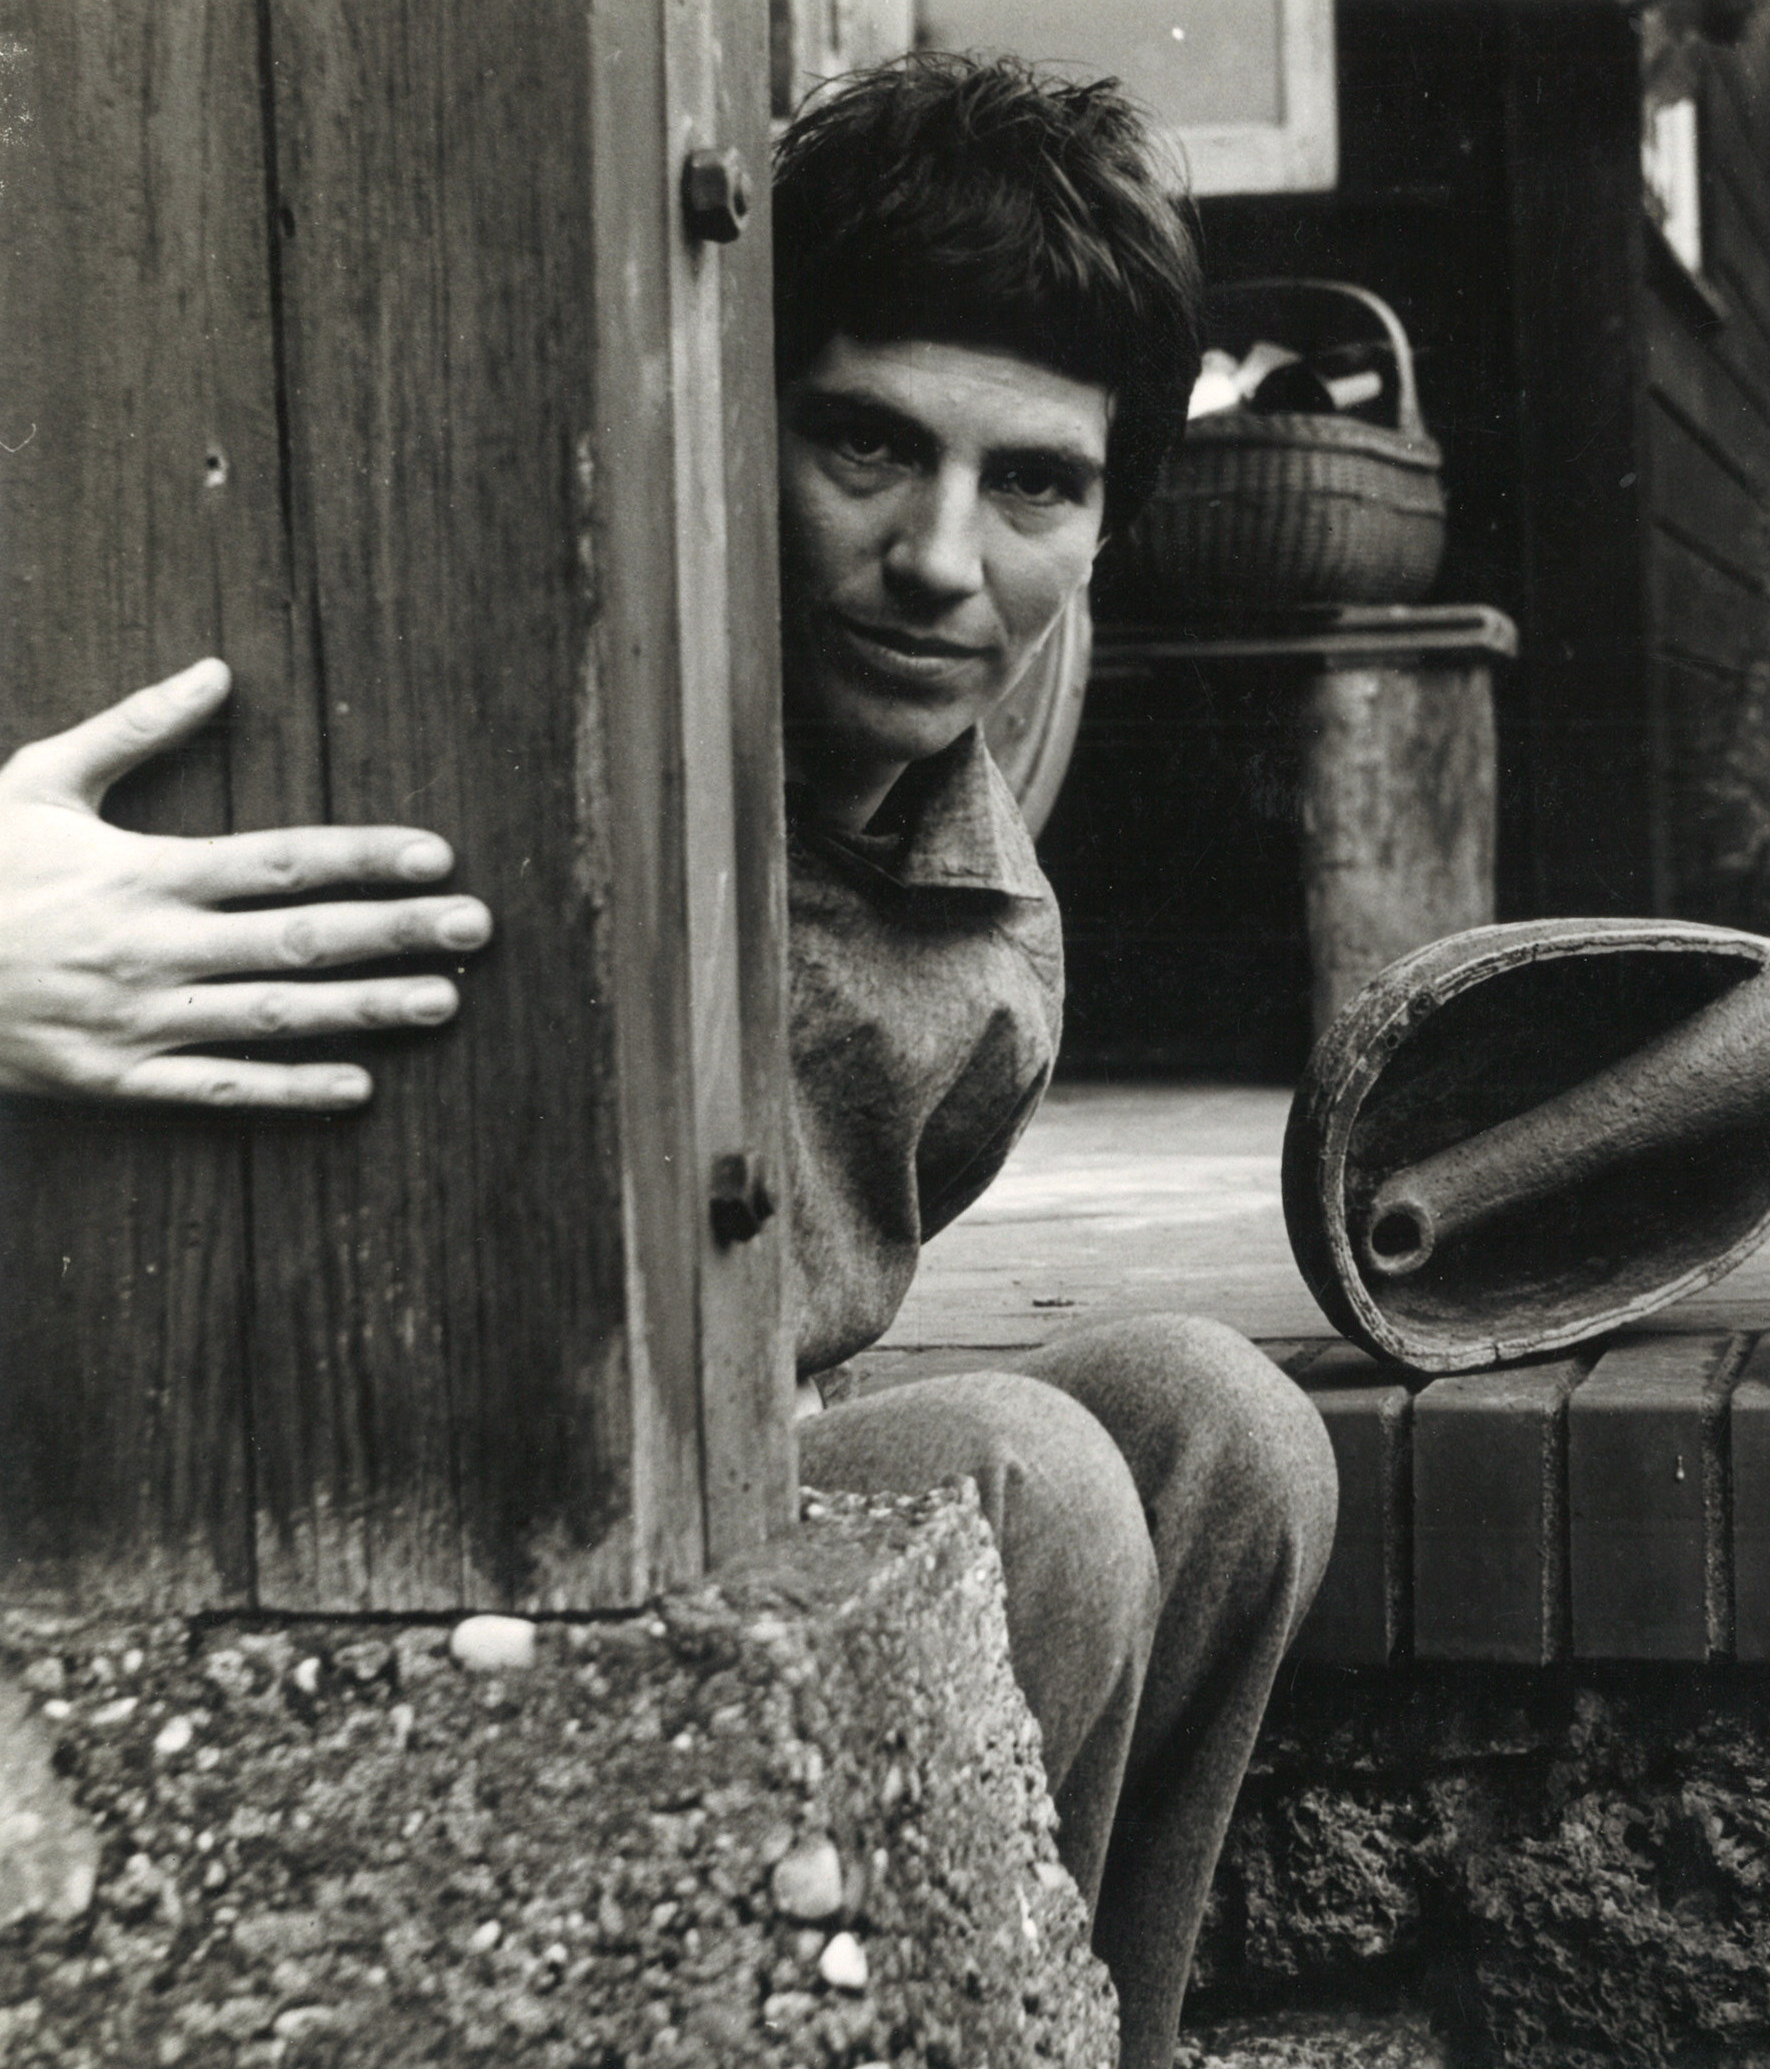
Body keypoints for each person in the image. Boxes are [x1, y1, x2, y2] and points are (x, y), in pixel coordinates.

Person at [0, 55, 1333, 2069]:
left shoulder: (988, 944)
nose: (943, 562)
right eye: (865, 446)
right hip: (435, 1561)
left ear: (1106, 522)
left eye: (1035, 484)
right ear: (730, 434)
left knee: (1221, 1424)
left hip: (739, 1526)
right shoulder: (497, 717)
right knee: (1039, 1489)